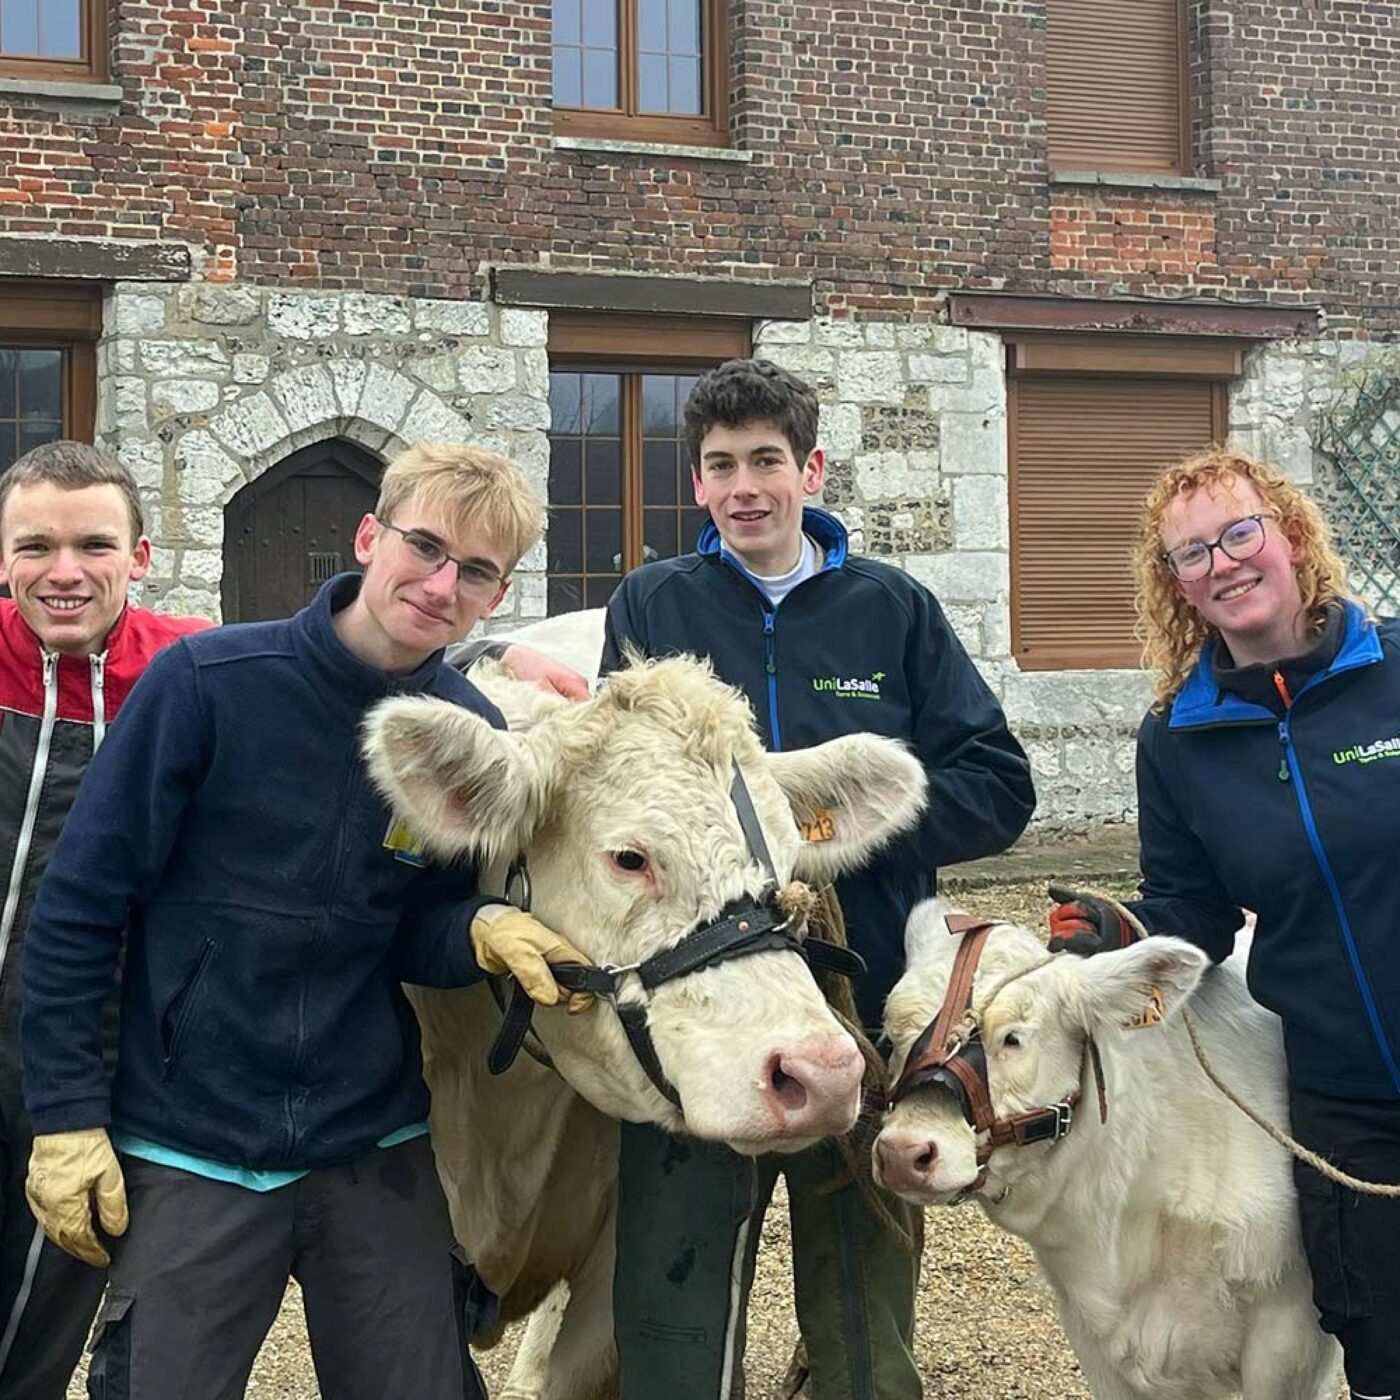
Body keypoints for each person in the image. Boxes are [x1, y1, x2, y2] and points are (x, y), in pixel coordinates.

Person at [20, 443, 591, 1400]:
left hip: (368, 1138)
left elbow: (411, 926)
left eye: (478, 571)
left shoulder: (462, 732)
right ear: (371, 536)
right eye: (425, 546)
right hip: (189, 1135)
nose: (442, 583)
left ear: (497, 596)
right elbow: (80, 908)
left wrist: (476, 931)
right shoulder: (208, 685)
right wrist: (67, 1121)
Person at [600, 358, 1035, 1400]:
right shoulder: (653, 602)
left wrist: (837, 826)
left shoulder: (892, 608)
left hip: (860, 998)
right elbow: (624, 791)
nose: (744, 484)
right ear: (695, 485)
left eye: (765, 460)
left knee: (864, 1315)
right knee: (676, 1306)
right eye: (719, 465)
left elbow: (999, 784)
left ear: (811, 468)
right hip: (701, 1007)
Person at [1048, 445, 1400, 1400]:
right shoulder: (1178, 740)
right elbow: (1194, 913)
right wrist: (1121, 933)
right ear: (1177, 588)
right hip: (1339, 1093)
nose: (1223, 562)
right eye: (1192, 554)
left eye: (1239, 532)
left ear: (1288, 534)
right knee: (1378, 1334)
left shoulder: (1394, 669)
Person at [0, 441, 211, 1400]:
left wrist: (499, 661)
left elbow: (345, 665)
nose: (65, 572)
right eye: (35, 546)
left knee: (31, 1335)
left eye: (93, 544)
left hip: (88, 1073)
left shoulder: (195, 672)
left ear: (142, 555)